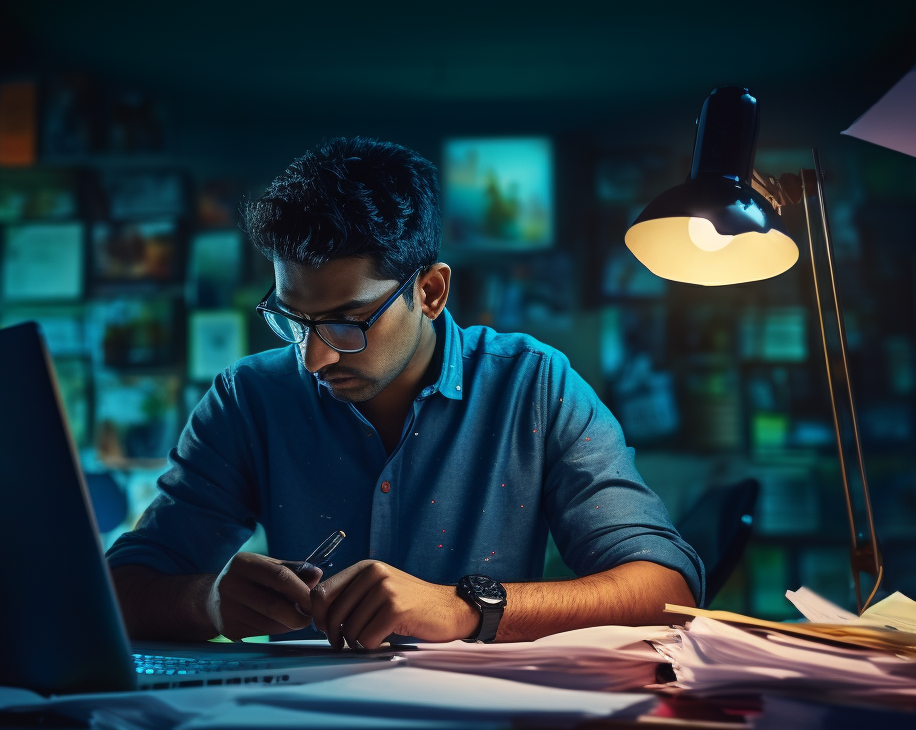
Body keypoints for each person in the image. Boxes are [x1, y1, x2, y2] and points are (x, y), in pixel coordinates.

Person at [108, 136, 703, 649]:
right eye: (292, 320)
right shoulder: (248, 400)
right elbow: (119, 586)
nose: (313, 357)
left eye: (347, 322)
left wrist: (467, 608)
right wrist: (208, 603)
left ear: (432, 292)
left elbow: (666, 590)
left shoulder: (534, 387)